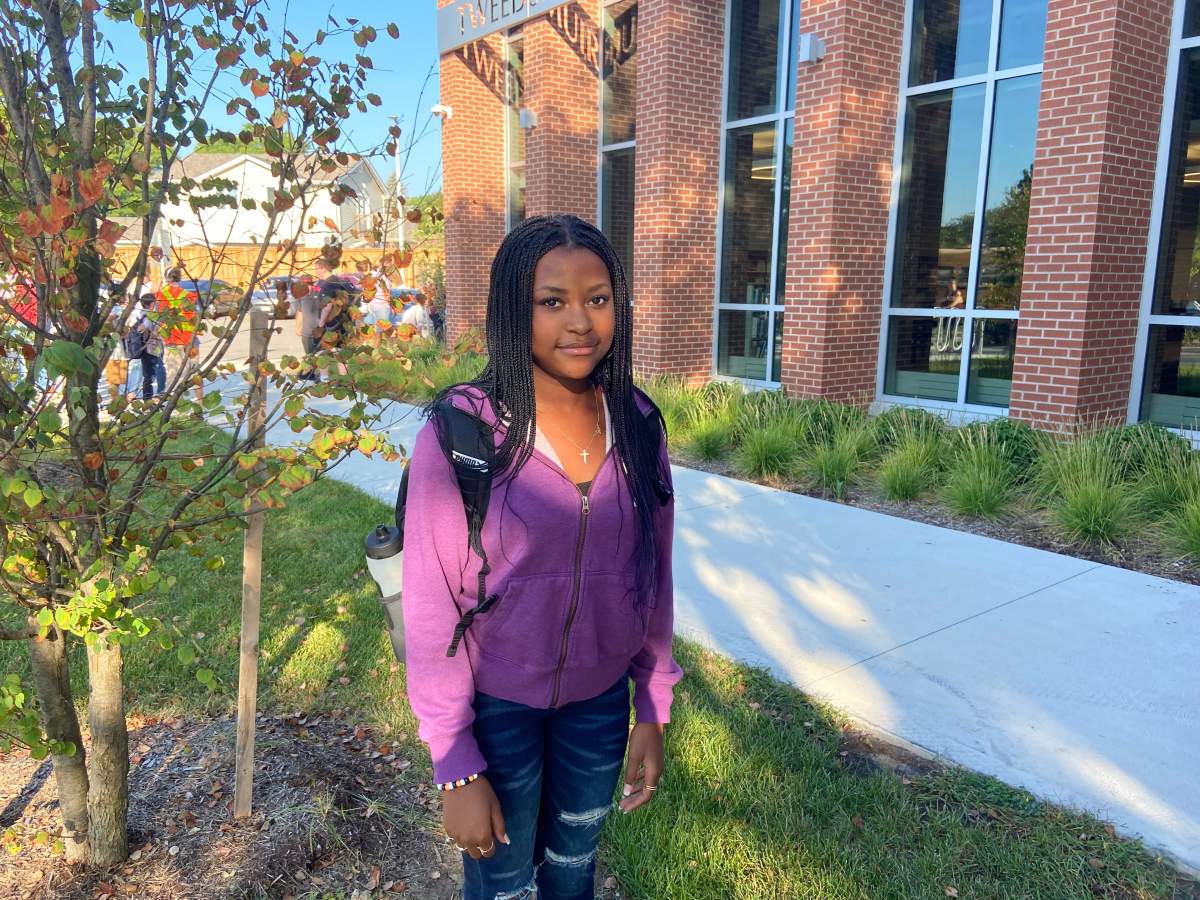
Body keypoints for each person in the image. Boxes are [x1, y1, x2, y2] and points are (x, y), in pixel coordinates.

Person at [402, 214, 681, 900]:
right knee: (502, 884)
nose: (580, 321)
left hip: (598, 706)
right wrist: (455, 764)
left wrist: (651, 703)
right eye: (552, 302)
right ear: (512, 310)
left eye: (597, 298)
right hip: (496, 709)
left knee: (571, 875)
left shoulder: (639, 426)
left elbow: (655, 575)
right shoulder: (463, 433)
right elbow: (432, 605)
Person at [155, 268, 203, 402]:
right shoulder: (190, 295)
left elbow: (159, 319)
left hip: (172, 341)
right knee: (195, 373)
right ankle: (200, 404)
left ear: (167, 278)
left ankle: (174, 406)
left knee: (173, 373)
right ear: (180, 278)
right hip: (191, 340)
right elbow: (196, 316)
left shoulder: (161, 296)